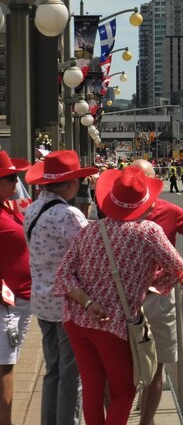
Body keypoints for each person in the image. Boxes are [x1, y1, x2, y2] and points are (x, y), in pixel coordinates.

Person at [53, 166, 183, 425]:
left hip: (77, 319)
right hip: (113, 323)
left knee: (93, 388)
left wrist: (88, 302)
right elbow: (180, 268)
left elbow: (63, 276)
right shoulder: (149, 231)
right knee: (123, 390)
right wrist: (152, 285)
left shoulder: (91, 229)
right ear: (145, 205)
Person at [129, 159, 183, 425]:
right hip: (124, 301)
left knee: (156, 369)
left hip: (158, 299)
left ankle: (146, 420)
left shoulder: (171, 211)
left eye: (145, 180)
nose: (139, 185)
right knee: (127, 369)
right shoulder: (116, 211)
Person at [24, 150, 98, 425]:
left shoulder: (31, 210)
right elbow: (90, 254)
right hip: (69, 303)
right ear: (69, 184)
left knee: (53, 368)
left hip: (42, 300)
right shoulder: (68, 214)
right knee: (72, 371)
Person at [0, 151, 31, 425]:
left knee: (7, 365)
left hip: (19, 300)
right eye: (11, 178)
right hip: (5, 302)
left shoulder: (9, 207)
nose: (16, 182)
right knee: (3, 368)